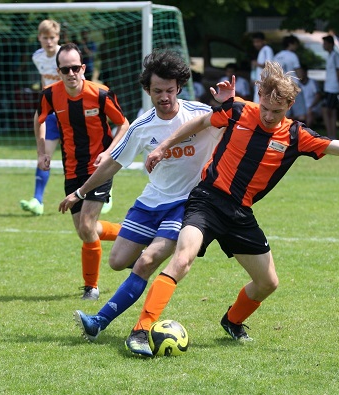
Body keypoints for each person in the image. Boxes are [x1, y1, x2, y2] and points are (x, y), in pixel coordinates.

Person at [122, 61, 339, 357]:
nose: (269, 116)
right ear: (259, 95)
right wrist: (162, 147)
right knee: (183, 259)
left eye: (277, 111)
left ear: (289, 105)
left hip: (240, 214)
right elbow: (200, 123)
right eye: (265, 107)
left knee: (268, 283)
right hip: (207, 200)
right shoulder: (237, 110)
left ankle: (232, 321)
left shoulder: (295, 135)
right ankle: (140, 330)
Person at [64, 49, 233, 341]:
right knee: (117, 261)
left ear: (179, 87)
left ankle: (100, 322)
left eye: (169, 90)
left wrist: (228, 103)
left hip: (186, 205)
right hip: (150, 202)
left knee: (145, 262)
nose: (164, 97)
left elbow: (237, 125)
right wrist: (80, 192)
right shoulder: (142, 127)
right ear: (147, 90)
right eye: (157, 91)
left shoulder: (201, 115)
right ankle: (148, 261)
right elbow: (113, 163)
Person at [34, 43, 129, 300]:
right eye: (65, 69)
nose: (71, 73)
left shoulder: (100, 94)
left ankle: (92, 287)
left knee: (87, 225)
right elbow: (39, 119)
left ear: (83, 68)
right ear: (58, 71)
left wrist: (109, 153)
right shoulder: (50, 95)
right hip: (72, 168)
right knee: (86, 230)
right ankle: (133, 236)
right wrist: (42, 151)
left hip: (100, 168)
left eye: (76, 68)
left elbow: (123, 124)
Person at [19, 19, 62, 216]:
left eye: (52, 37)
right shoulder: (37, 57)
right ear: (39, 38)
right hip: (52, 114)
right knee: (44, 155)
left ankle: (105, 192)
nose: (49, 41)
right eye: (45, 38)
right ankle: (37, 200)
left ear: (58, 38)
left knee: (87, 157)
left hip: (72, 113)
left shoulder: (66, 56)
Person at [273, 35, 306, 122]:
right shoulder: (292, 56)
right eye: (296, 44)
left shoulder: (277, 56)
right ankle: (299, 133)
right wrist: (301, 78)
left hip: (280, 88)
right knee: (300, 114)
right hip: (293, 87)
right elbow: (299, 73)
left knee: (284, 114)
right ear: (291, 44)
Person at [321, 35, 339, 139]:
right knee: (330, 110)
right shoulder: (330, 55)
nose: (324, 45)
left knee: (328, 110)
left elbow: (338, 73)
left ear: (330, 44)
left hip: (333, 88)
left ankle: (331, 134)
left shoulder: (336, 56)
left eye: (325, 43)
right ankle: (331, 133)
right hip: (328, 87)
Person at [250, 32, 273, 103]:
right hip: (259, 82)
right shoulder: (261, 51)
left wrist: (256, 64)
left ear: (263, 41)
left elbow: (269, 65)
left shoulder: (267, 49)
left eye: (258, 42)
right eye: (254, 42)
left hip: (265, 82)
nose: (256, 44)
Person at [297, 64, 322, 128]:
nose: (299, 74)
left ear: (305, 73)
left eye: (301, 72)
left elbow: (318, 95)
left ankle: (305, 131)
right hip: (301, 108)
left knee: (309, 113)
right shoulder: (296, 84)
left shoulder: (313, 82)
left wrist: (311, 106)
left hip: (313, 107)